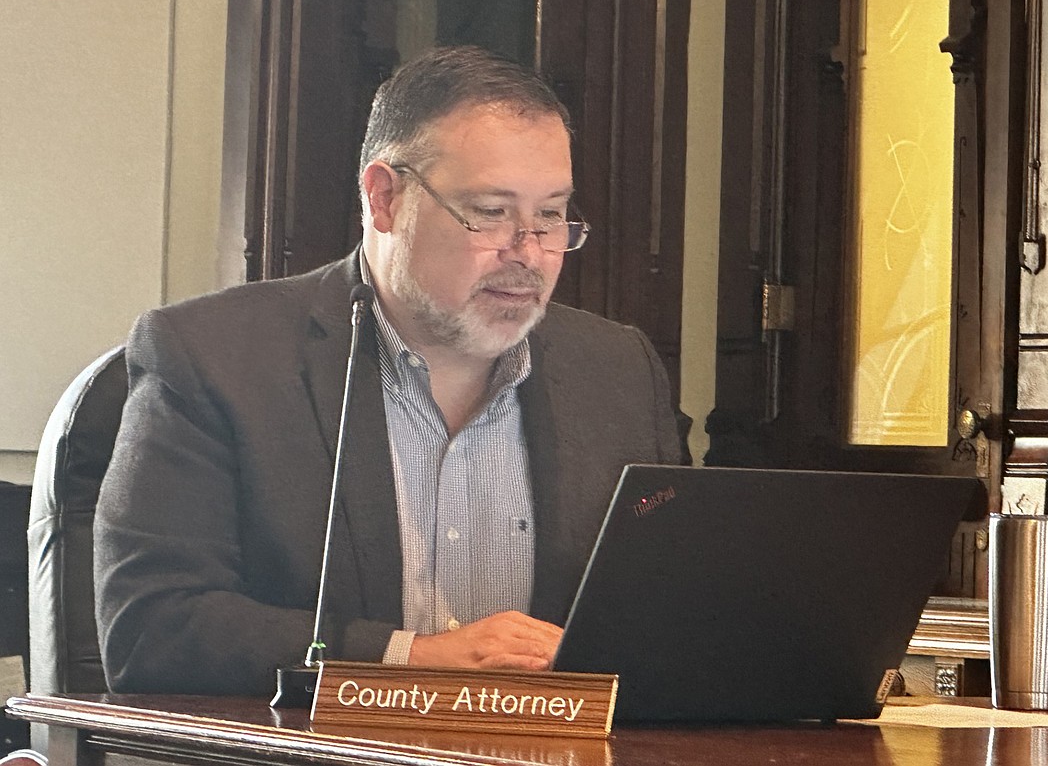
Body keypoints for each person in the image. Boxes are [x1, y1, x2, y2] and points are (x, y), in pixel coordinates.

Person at [94, 46, 685, 695]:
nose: (530, 253)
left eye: (550, 215)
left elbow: (677, 617)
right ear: (384, 198)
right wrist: (410, 656)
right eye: (491, 212)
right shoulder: (213, 357)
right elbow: (150, 629)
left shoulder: (620, 372)